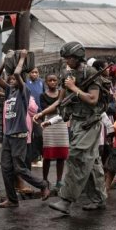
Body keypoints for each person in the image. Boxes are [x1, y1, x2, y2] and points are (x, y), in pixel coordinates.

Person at [36, 42, 107, 215]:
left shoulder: (89, 73)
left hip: (89, 123)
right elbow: (60, 102)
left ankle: (66, 200)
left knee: (77, 158)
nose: (66, 61)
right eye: (65, 58)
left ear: (77, 57)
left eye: (69, 58)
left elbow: (93, 99)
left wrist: (74, 88)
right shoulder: (67, 74)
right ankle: (99, 199)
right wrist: (42, 114)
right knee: (92, 162)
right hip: (76, 123)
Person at [0, 50, 51, 208]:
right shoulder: (9, 92)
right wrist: (6, 62)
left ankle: (43, 184)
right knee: (6, 168)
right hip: (8, 136)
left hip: (19, 135)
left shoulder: (23, 91)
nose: (11, 80)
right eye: (10, 78)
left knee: (19, 168)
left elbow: (18, 73)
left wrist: (22, 58)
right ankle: (12, 200)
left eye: (14, 79)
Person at [39, 75, 68, 191]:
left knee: (61, 155)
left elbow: (64, 108)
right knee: (47, 155)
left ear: (57, 82)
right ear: (46, 82)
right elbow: (45, 108)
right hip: (48, 125)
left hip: (61, 124)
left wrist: (59, 107)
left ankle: (59, 180)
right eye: (50, 80)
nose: (52, 82)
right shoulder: (42, 95)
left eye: (54, 80)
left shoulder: (62, 93)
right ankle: (45, 180)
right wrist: (58, 106)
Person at [24, 67, 45, 166]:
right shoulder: (25, 82)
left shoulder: (41, 82)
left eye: (36, 72)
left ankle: (39, 155)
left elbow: (44, 95)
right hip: (27, 113)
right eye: (32, 72)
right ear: (29, 73)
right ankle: (33, 158)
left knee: (39, 135)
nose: (34, 74)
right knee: (29, 136)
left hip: (39, 113)